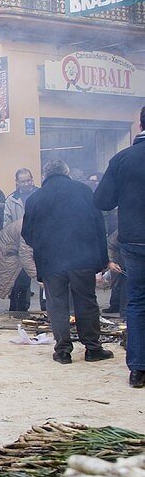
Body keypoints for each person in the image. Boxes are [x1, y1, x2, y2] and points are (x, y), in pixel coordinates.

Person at [23, 159, 113, 366]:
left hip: (51, 262)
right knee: (87, 302)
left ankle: (63, 351)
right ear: (67, 172)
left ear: (45, 175)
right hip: (82, 258)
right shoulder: (84, 191)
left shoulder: (36, 198)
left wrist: (44, 247)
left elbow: (27, 234)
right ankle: (93, 348)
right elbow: (100, 226)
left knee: (57, 305)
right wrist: (102, 260)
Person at [94, 109, 145, 388]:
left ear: (140, 124)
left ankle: (138, 369)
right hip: (134, 240)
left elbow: (102, 200)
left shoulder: (121, 159)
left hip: (135, 241)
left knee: (137, 303)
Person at [2, 168, 38, 313]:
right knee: (20, 279)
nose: (26, 184)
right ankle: (19, 309)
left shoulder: (40, 194)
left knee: (42, 277)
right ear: (17, 182)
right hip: (19, 243)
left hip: (38, 241)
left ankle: (47, 309)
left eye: (28, 180)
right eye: (23, 181)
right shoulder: (11, 200)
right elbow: (7, 223)